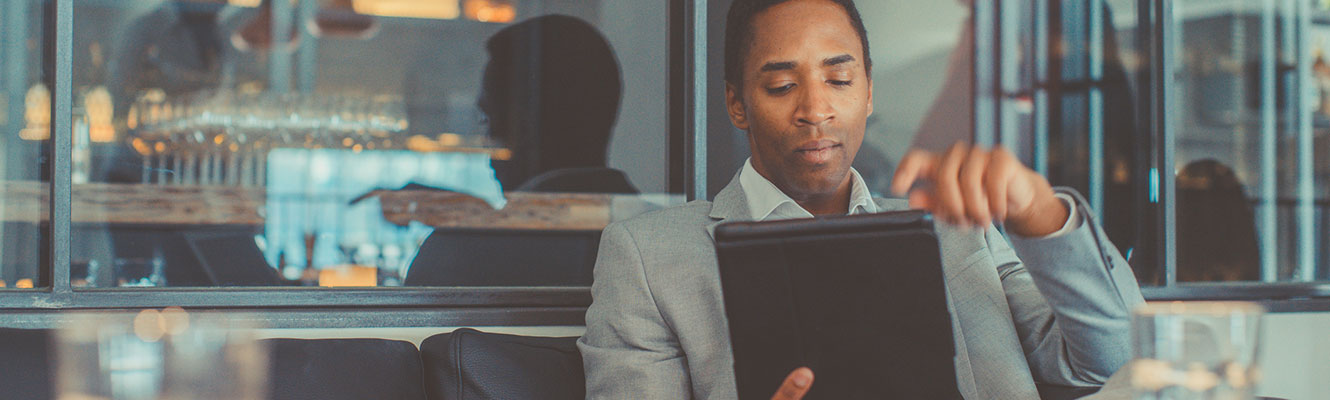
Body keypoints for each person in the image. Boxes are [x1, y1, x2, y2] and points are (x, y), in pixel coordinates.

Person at [576, 0, 1145, 398]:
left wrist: (1041, 216)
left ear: (869, 92)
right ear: (737, 105)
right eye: (780, 86)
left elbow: (1114, 365)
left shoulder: (956, 228)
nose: (815, 110)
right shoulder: (648, 258)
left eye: (840, 80)